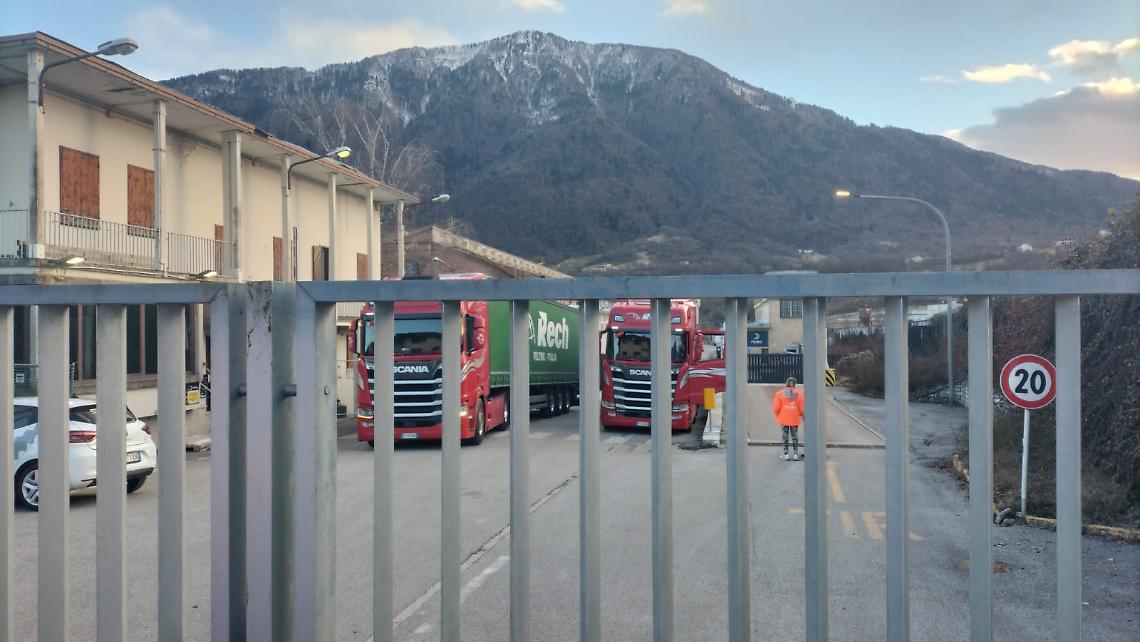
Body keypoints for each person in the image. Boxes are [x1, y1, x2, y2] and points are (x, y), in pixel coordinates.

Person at [772, 376, 804, 461]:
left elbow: (776, 407)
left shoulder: (780, 394)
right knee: (794, 436)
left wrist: (778, 414)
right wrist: (800, 413)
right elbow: (802, 408)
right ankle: (795, 454)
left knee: (785, 436)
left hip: (784, 417)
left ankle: (786, 454)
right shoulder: (799, 394)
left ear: (786, 384)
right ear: (795, 384)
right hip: (794, 416)